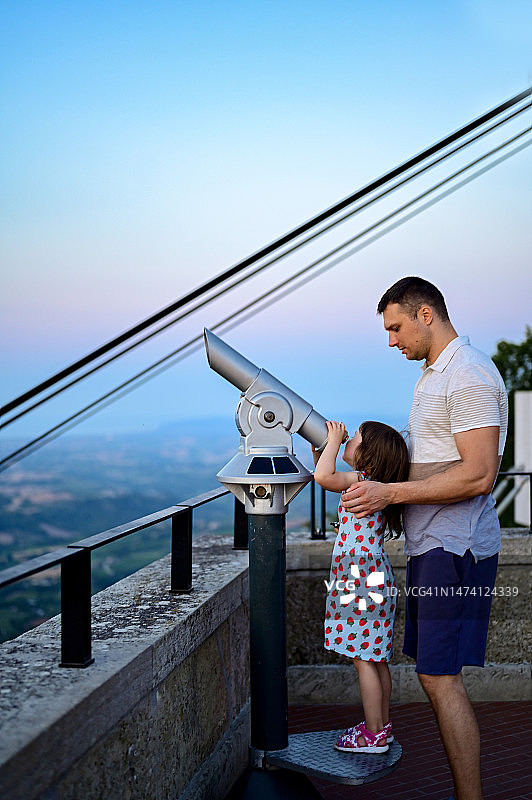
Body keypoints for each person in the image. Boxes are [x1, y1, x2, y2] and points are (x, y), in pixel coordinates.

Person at [341, 277, 508, 800]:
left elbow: (480, 475)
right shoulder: (435, 376)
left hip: (452, 546)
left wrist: (389, 494)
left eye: (395, 327)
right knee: (437, 675)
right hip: (435, 542)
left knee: (439, 678)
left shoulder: (469, 374)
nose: (392, 341)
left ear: (425, 314)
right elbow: (435, 460)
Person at [312, 419, 409, 753]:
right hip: (373, 575)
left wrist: (334, 443)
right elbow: (325, 475)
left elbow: (324, 478)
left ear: (369, 458)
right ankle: (382, 727)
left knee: (362, 659)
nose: (348, 439)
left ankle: (372, 735)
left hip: (359, 579)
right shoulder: (371, 486)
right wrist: (324, 452)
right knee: (375, 658)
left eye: (354, 438)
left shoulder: (361, 481)